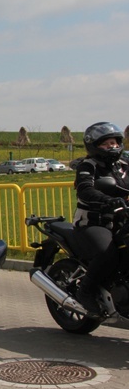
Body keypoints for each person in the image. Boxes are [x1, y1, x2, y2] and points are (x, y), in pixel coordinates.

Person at [73, 122, 129, 314]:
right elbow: (85, 189)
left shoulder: (124, 166)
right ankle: (85, 291)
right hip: (93, 222)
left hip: (122, 220)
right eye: (106, 144)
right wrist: (107, 200)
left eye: (114, 142)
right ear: (94, 145)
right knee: (108, 252)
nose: (112, 147)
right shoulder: (88, 166)